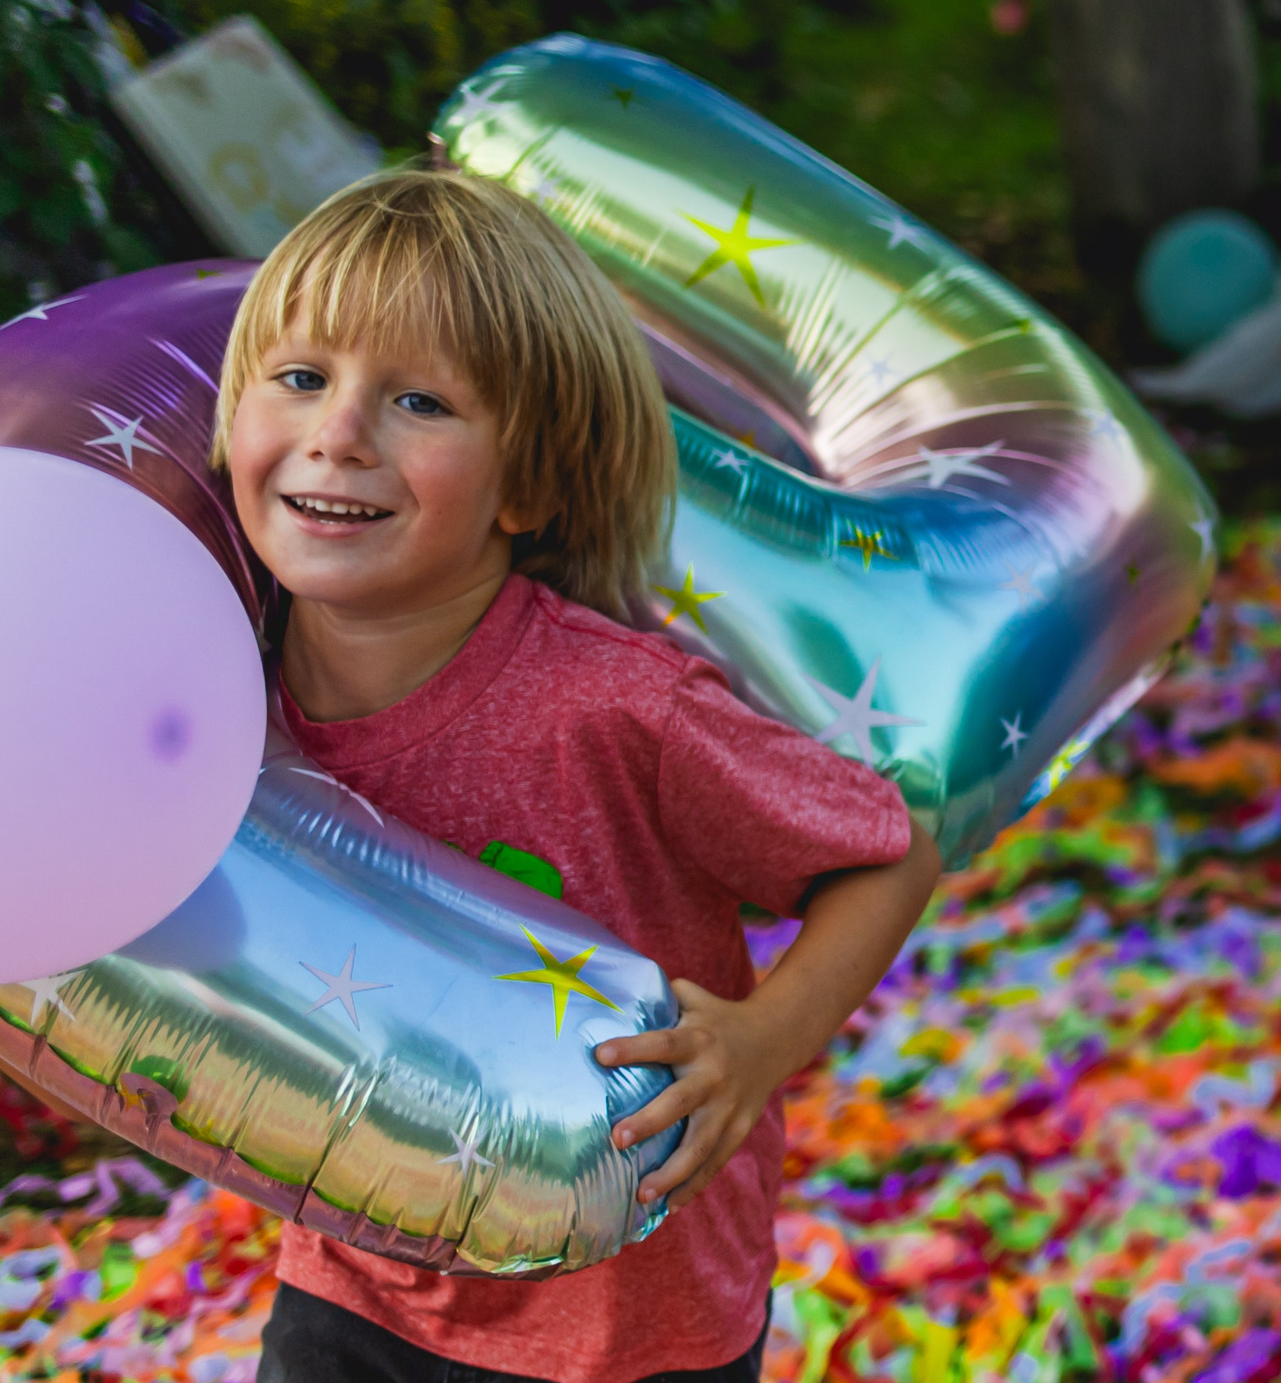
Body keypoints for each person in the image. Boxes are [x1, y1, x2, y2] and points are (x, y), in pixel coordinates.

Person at [219, 171, 943, 1383]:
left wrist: (764, 1041)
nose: (338, 433)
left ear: (532, 487)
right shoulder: (218, 681)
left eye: (417, 401)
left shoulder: (612, 707)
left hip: (626, 1320)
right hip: (357, 1275)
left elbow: (890, 849)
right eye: (300, 377)